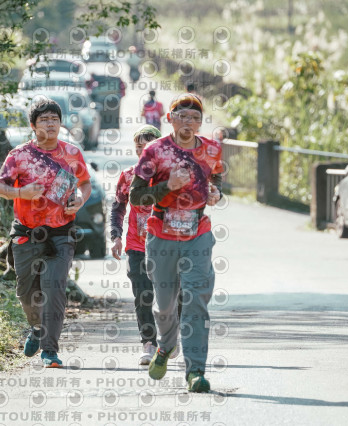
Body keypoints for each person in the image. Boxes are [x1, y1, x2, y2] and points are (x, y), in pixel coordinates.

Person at [129, 93, 223, 393]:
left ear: (200, 122)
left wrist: (215, 193)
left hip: (198, 233)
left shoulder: (211, 149)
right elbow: (136, 196)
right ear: (169, 118)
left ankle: (195, 371)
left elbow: (215, 178)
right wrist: (167, 186)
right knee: (164, 306)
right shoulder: (155, 151)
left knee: (196, 299)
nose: (188, 122)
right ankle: (166, 345)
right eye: (182, 116)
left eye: (195, 117)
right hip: (161, 234)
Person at [0, 98, 91, 368]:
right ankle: (36, 328)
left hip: (61, 233)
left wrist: (80, 200)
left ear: (61, 123)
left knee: (54, 288)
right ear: (33, 125)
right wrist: (20, 192)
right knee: (27, 293)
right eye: (44, 120)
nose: (50, 124)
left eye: (55, 119)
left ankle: (50, 351)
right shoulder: (19, 155)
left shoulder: (72, 153)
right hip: (26, 233)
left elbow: (85, 184)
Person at [110, 125, 182, 365]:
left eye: (148, 147)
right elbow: (118, 207)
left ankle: (170, 338)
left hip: (167, 245)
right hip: (137, 245)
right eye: (138, 147)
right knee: (143, 295)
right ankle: (148, 344)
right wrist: (116, 236)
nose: (143, 151)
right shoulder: (128, 176)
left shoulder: (171, 177)